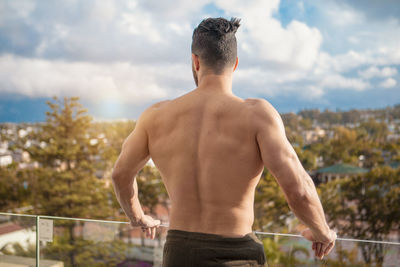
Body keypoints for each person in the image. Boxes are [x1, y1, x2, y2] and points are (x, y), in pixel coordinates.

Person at [111, 17, 336, 267]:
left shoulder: (154, 116)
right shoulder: (257, 115)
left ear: (195, 61)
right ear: (235, 64)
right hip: (237, 253)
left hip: (180, 254)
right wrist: (322, 231)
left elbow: (120, 174)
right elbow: (299, 190)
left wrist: (138, 218)